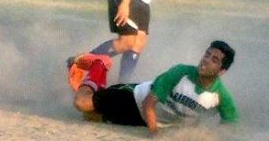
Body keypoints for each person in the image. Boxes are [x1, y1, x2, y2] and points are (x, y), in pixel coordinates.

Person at [70, 41, 238, 135]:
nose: (206, 60)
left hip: (143, 122)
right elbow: (148, 104)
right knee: (82, 104)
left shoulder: (221, 96)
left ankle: (98, 84)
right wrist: (155, 135)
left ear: (222, 71)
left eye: (214, 60)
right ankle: (99, 64)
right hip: (133, 98)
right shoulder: (180, 73)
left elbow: (230, 124)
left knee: (89, 118)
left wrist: (208, 137)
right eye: (207, 55)